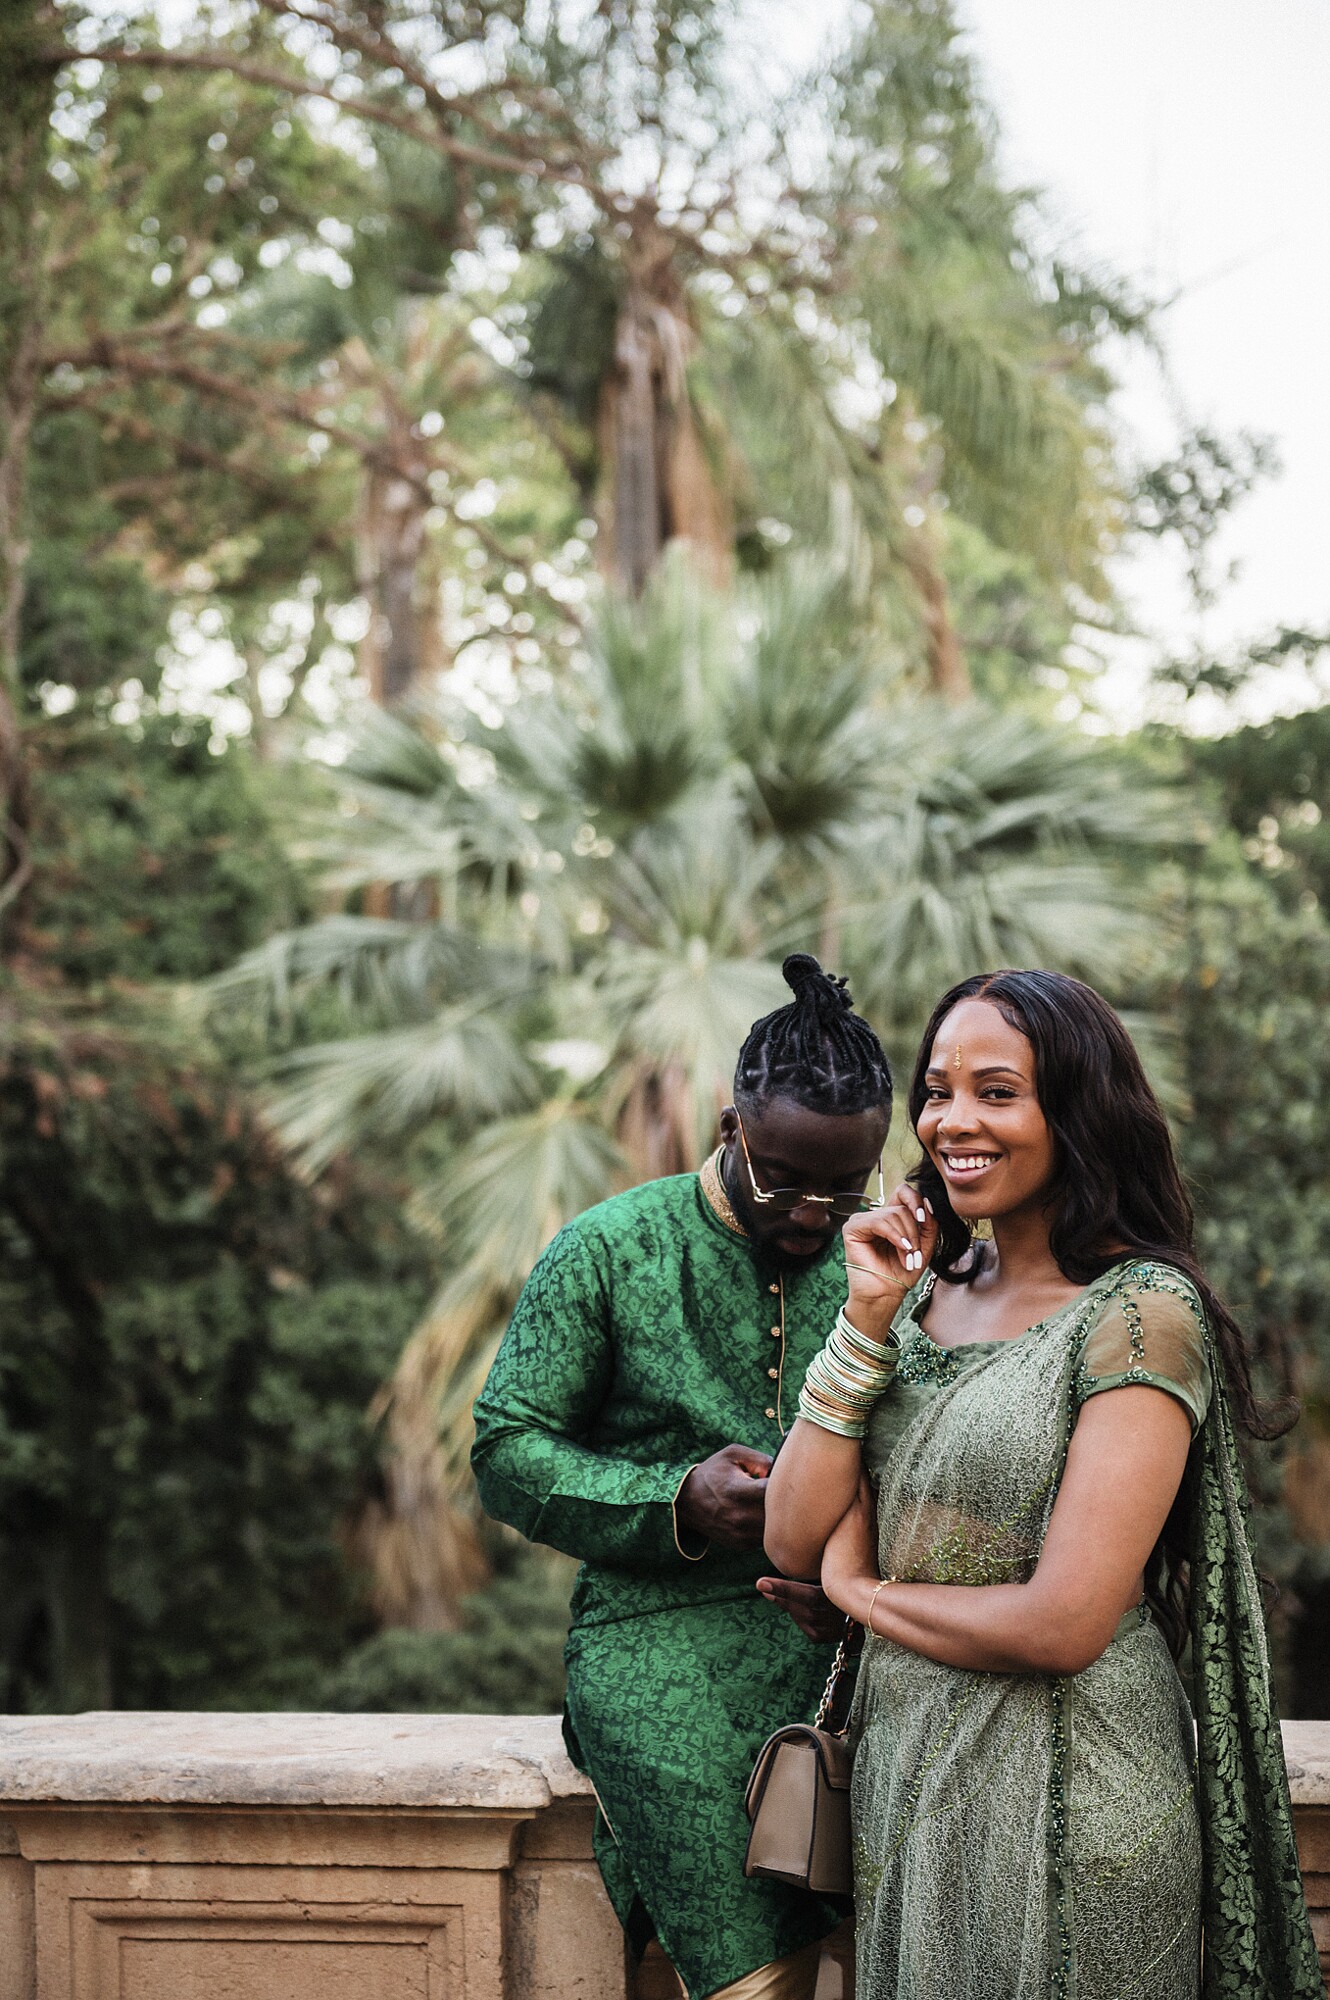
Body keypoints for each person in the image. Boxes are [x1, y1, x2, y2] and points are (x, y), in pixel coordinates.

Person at [765, 968, 1321, 2000]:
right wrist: (865, 1317)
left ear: (1075, 1108)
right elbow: (793, 1536)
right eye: (936, 1088)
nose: (951, 1120)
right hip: (909, 1781)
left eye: (995, 1089)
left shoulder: (1140, 1311)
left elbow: (1065, 1620)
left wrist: (862, 1595)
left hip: (1077, 1801)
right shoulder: (919, 1288)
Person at [471, 954, 892, 1999]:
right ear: (728, 1130)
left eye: (846, 1183)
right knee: (756, 1959)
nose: (812, 1211)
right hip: (654, 1636)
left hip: (857, 1637)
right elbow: (505, 1447)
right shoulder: (608, 1249)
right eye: (781, 1177)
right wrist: (675, 1497)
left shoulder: (889, 1264)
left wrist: (861, 1578)